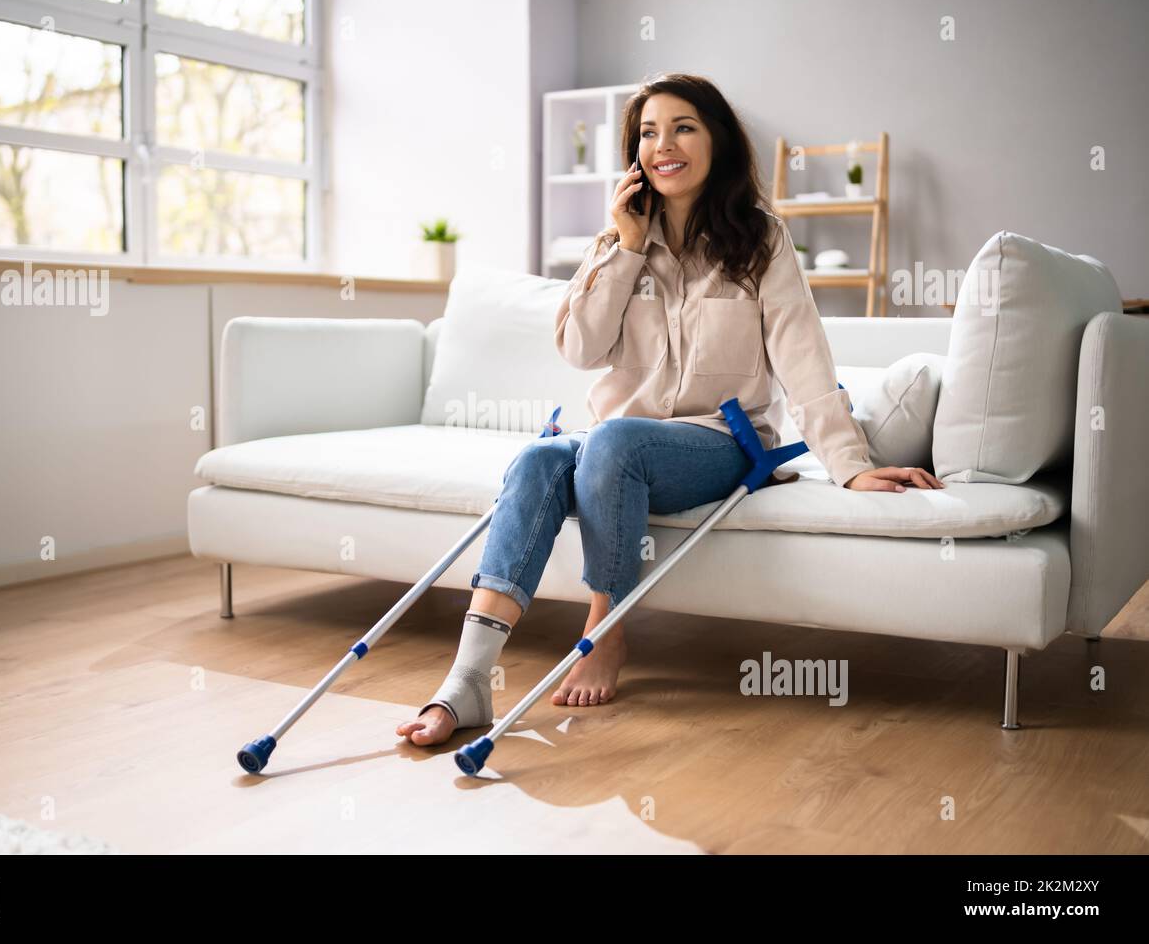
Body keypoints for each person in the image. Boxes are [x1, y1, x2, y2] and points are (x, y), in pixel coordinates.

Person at [397, 72, 941, 747]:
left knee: (616, 442)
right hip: (614, 443)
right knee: (539, 457)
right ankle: (469, 680)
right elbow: (579, 346)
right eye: (649, 133)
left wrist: (851, 465)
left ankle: (604, 632)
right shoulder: (615, 242)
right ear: (634, 155)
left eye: (683, 127)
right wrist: (625, 250)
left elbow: (804, 358)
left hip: (720, 440)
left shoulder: (760, 239)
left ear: (715, 141)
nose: (665, 145)